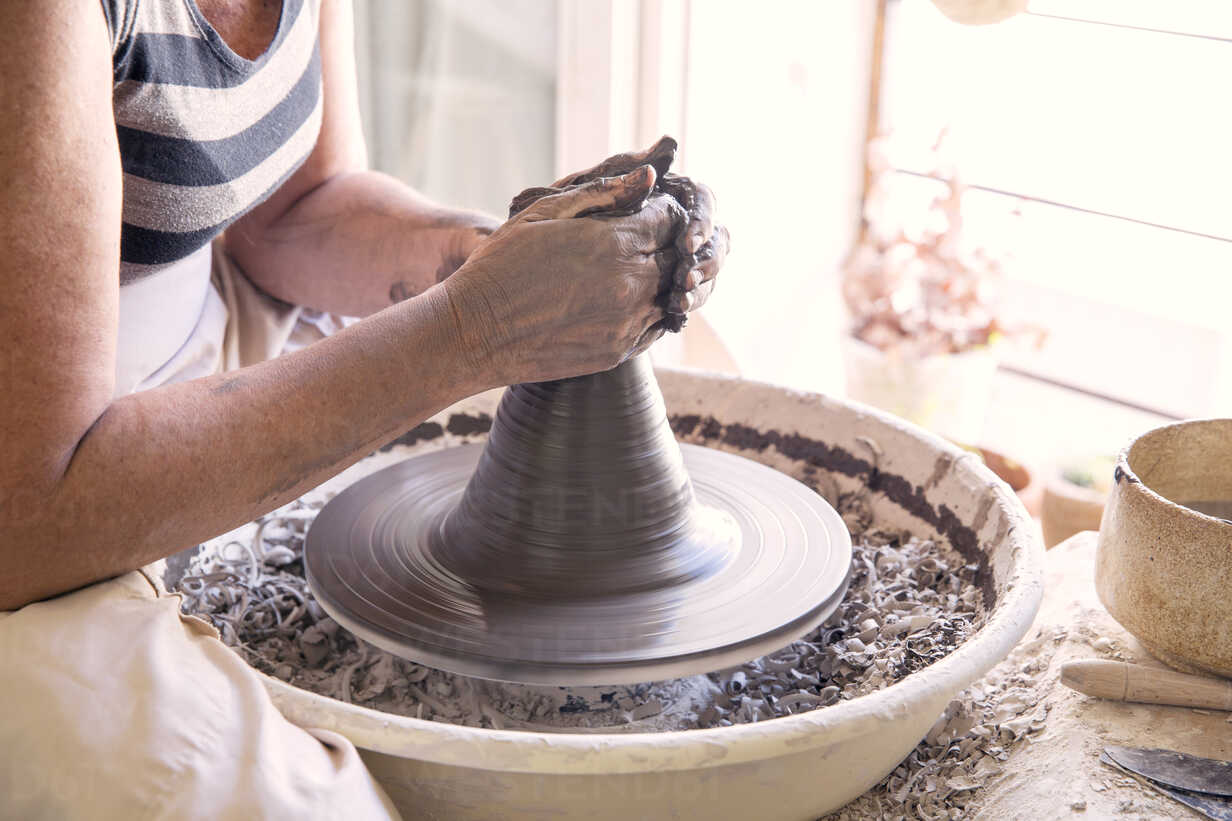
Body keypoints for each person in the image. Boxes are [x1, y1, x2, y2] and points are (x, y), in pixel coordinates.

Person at [0, 1, 726, 817]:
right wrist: (477, 327)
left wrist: (498, 259)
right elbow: (32, 511)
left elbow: (294, 209)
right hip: (53, 493)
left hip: (198, 337)